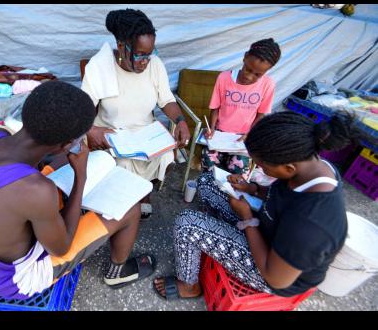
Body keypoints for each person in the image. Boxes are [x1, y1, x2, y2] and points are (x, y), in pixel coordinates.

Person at [0, 81, 156, 300]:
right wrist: (81, 176)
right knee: (130, 208)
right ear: (65, 143)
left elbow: (23, 182)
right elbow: (61, 248)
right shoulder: (38, 191)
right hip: (17, 279)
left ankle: (55, 211)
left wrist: (67, 159)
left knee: (61, 168)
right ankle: (118, 273)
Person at [153, 111, 368, 300]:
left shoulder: (312, 224)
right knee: (207, 181)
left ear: (288, 167)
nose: (261, 169)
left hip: (273, 272)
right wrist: (253, 189)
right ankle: (214, 234)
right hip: (269, 228)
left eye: (263, 166)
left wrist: (248, 220)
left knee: (187, 224)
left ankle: (189, 286)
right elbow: (282, 194)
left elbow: (275, 277)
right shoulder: (311, 166)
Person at [81, 8, 191, 219]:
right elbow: (82, 110)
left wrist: (180, 121)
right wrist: (91, 129)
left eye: (150, 54)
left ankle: (143, 191)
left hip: (145, 133)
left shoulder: (155, 65)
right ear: (122, 46)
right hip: (113, 133)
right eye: (140, 54)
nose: (146, 61)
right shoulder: (99, 67)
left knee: (167, 155)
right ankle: (123, 200)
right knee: (121, 163)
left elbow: (166, 100)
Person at [202, 38, 281, 176]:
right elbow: (215, 107)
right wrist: (212, 129)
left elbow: (261, 114)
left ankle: (228, 196)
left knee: (237, 171)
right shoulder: (224, 78)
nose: (249, 77)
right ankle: (209, 192)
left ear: (268, 70)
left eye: (257, 74)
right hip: (220, 134)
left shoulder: (268, 85)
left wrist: (249, 134)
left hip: (243, 138)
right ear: (245, 58)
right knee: (209, 165)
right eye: (248, 69)